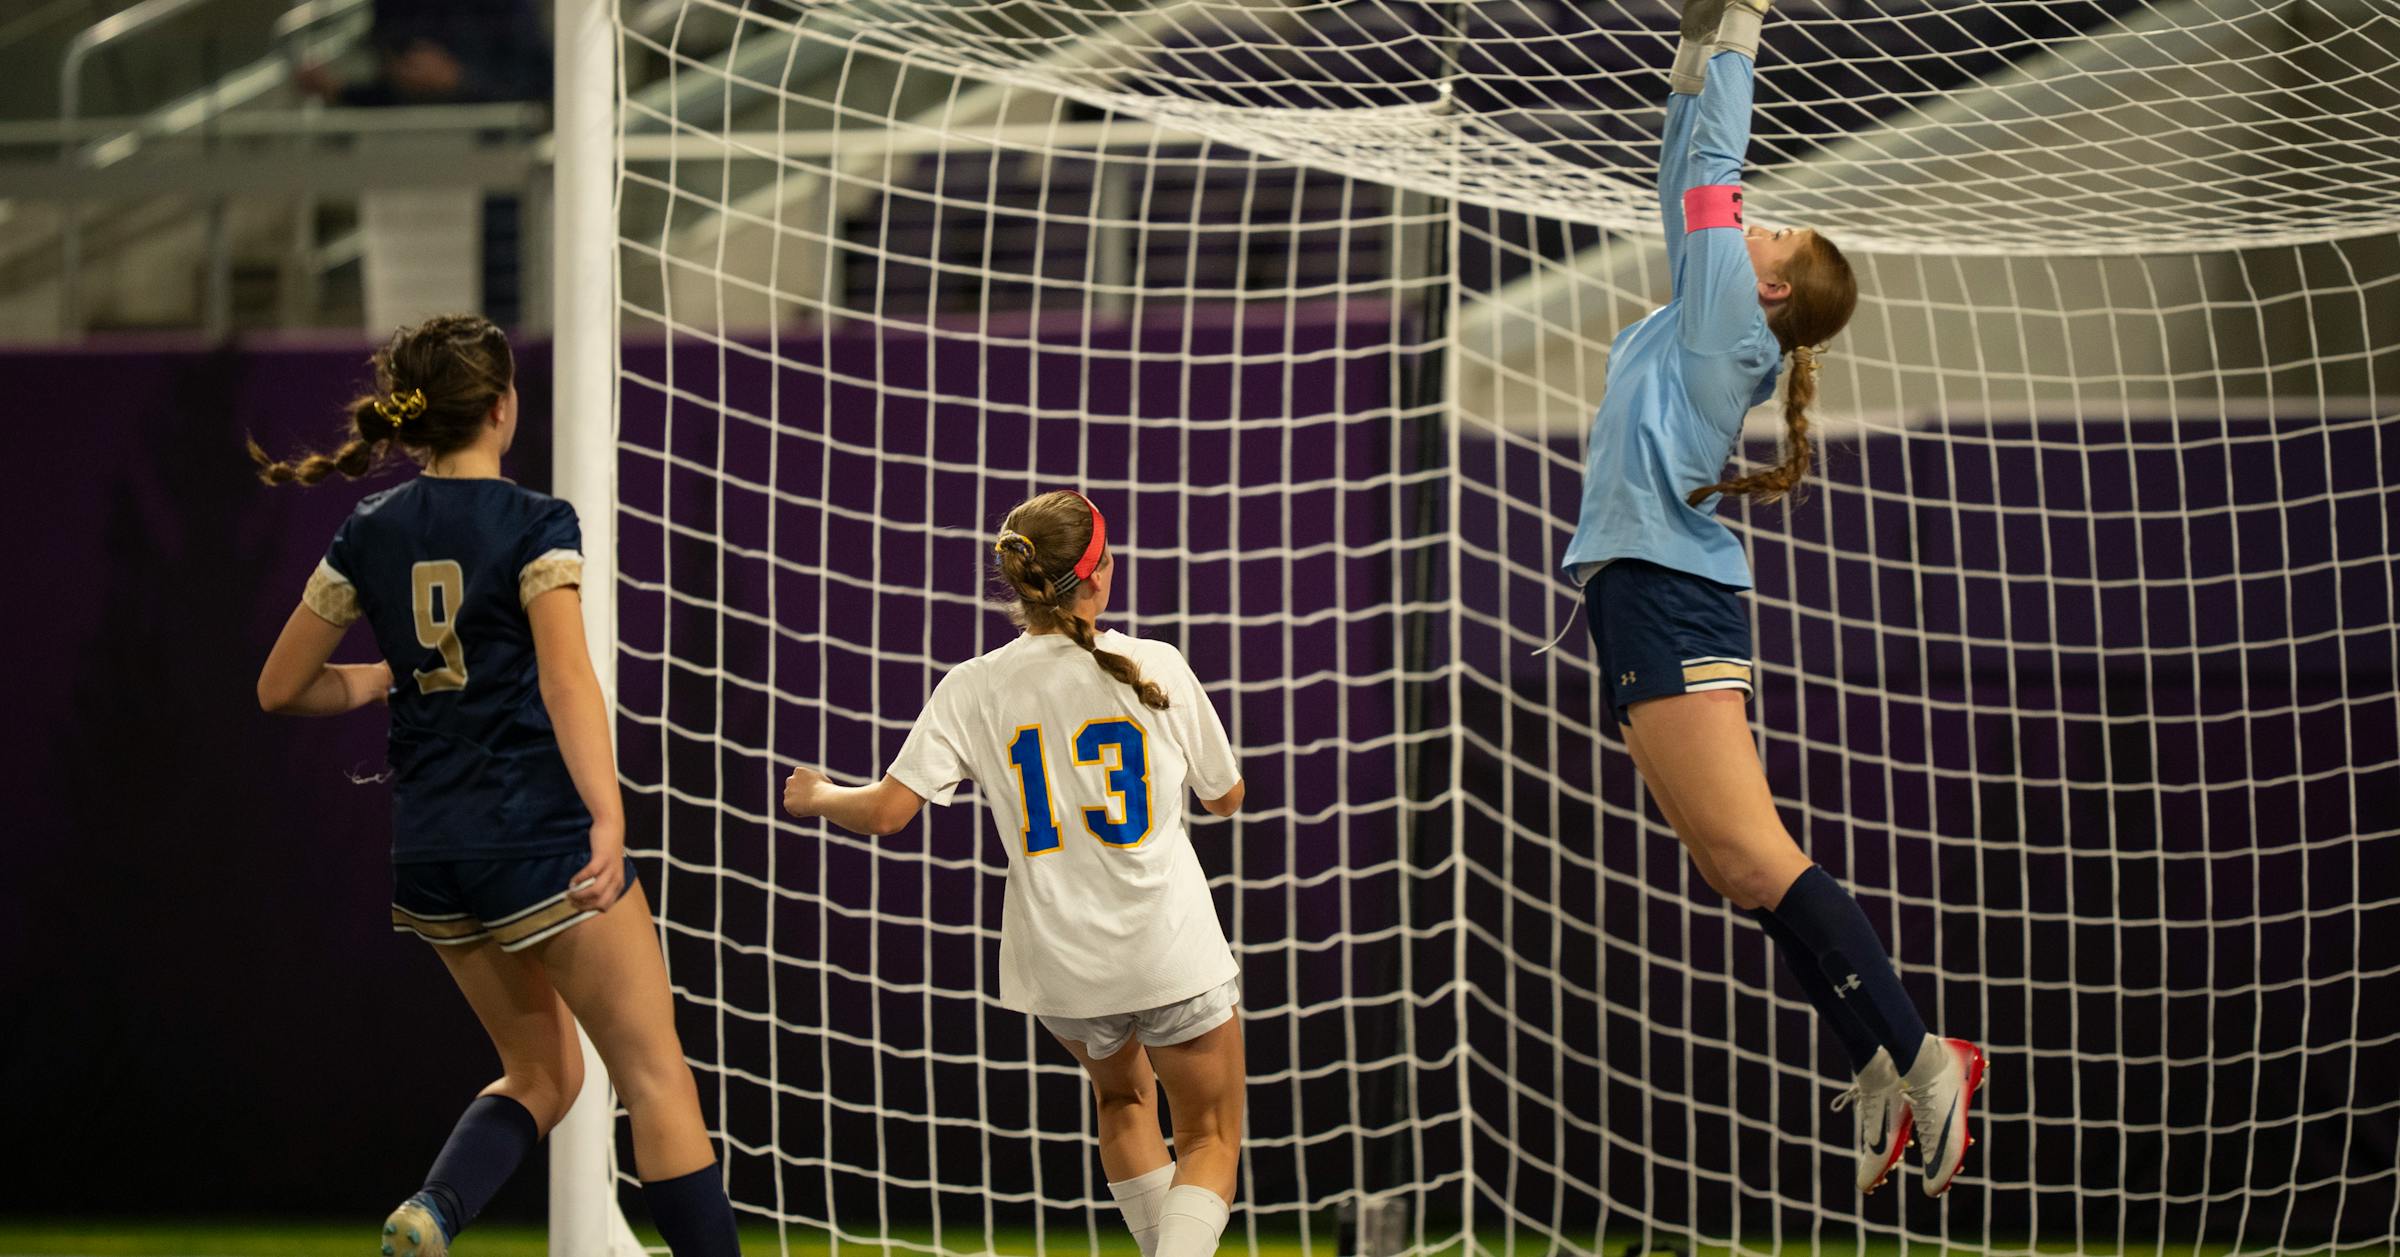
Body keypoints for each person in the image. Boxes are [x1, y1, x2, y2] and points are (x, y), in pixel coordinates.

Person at [1559, 0, 1986, 1198]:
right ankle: (1877, 1062)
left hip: (1670, 594)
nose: (1758, 223)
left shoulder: (1726, 329)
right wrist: (1692, 59)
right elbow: (1679, 172)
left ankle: (1925, 1054)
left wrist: (1737, 31)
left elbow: (1709, 174)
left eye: (1776, 232)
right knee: (1733, 871)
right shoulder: (1711, 309)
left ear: (1778, 295)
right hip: (1641, 591)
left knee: (1754, 853)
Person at [250, 314, 742, 1257]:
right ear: (503, 409)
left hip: (434, 854)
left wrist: (390, 674)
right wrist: (607, 812)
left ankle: (433, 1211)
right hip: (537, 839)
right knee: (655, 1077)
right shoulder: (535, 523)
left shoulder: (369, 530)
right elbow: (566, 679)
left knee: (541, 1073)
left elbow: (281, 686)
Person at [782, 490, 1248, 1257]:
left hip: (1062, 966)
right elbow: (1226, 796)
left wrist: (822, 794)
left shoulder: (974, 685)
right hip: (1169, 946)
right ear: (1096, 577)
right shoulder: (1154, 665)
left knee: (1122, 1100)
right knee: (1208, 1134)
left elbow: (890, 811)